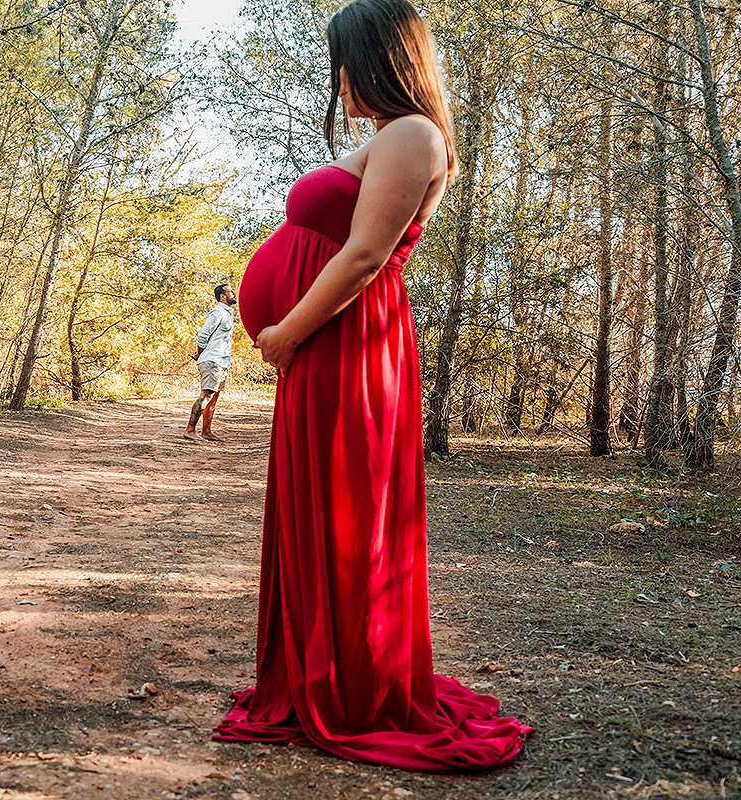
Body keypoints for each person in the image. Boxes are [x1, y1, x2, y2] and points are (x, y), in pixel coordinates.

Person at [213, 0, 531, 772]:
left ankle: (351, 686)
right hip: (330, 343)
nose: (340, 83)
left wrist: (286, 332)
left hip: (346, 343)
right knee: (320, 510)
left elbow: (363, 257)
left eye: (345, 66)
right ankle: (320, 671)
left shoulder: (414, 135)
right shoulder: (393, 137)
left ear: (383, 60)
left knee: (343, 513)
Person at [183, 283, 238, 442]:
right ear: (222, 297)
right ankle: (190, 430)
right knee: (207, 395)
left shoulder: (228, 313)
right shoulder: (217, 312)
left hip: (222, 362)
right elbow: (203, 336)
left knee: (213, 397)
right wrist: (200, 354)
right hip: (212, 360)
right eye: (230, 291)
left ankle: (206, 431)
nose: (234, 293)